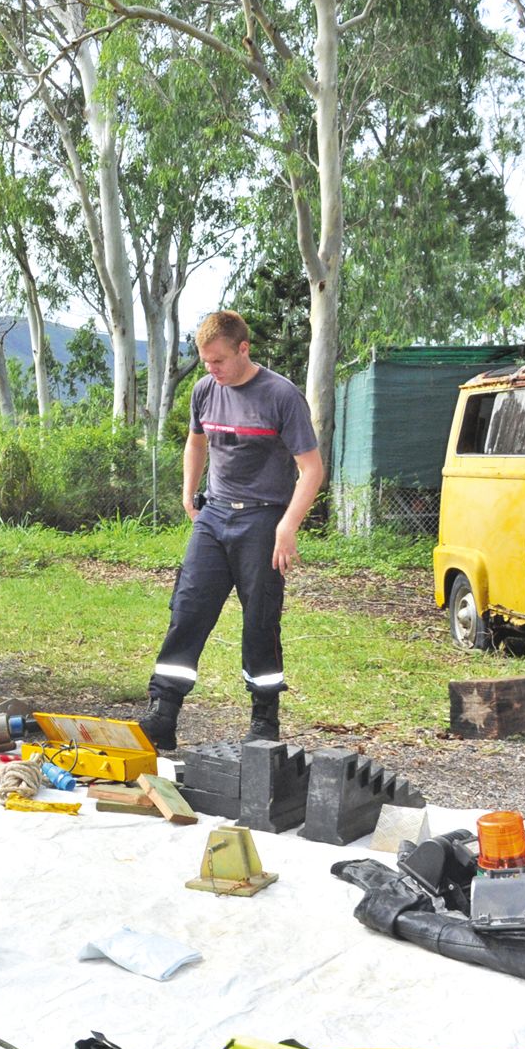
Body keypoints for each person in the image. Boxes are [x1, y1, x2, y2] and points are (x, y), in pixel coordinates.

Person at [137, 310, 324, 750]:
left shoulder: (281, 395)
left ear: (244, 349)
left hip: (263, 520)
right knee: (187, 610)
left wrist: (287, 527)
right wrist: (189, 492)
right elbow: (196, 441)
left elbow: (311, 469)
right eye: (205, 362)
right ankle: (162, 714)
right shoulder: (205, 390)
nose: (211, 370)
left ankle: (264, 721)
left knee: (260, 620)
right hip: (214, 516)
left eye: (218, 360)